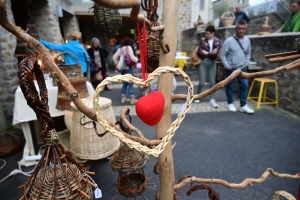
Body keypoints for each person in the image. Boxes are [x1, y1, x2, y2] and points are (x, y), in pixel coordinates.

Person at [220, 19, 254, 114]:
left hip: (242, 67)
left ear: (246, 29)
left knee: (244, 86)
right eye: (239, 28)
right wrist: (227, 66)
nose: (241, 30)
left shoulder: (247, 41)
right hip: (232, 68)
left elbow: (248, 53)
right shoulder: (229, 41)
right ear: (235, 29)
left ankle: (243, 105)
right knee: (230, 86)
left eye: (243, 29)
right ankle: (230, 103)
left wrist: (246, 62)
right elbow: (223, 55)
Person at [194, 25, 220, 108]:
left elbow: (215, 54)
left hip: (212, 63)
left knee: (212, 82)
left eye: (208, 34)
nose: (206, 35)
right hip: (204, 63)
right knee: (201, 82)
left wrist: (207, 53)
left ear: (213, 33)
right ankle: (197, 96)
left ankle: (212, 99)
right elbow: (200, 52)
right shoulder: (203, 41)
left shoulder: (217, 41)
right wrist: (210, 53)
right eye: (205, 33)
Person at [112, 37, 138, 104]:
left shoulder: (120, 48)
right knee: (131, 82)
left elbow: (114, 57)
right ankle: (132, 98)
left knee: (125, 83)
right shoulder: (129, 47)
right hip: (129, 68)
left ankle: (123, 98)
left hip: (123, 69)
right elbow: (132, 57)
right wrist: (137, 59)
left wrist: (118, 65)